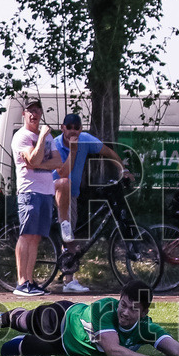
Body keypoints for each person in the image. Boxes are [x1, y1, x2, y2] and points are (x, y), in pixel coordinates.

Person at [0, 280, 179, 356]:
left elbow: (178, 349)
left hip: (64, 348)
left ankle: (22, 340)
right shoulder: (106, 308)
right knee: (24, 320)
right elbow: (113, 350)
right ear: (120, 299)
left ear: (144, 313)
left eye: (133, 310)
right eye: (123, 304)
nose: (124, 312)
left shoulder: (147, 328)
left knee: (10, 350)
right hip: (61, 319)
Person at [52, 112, 133, 293]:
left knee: (70, 231)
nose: (73, 131)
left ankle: (68, 278)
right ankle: (68, 281)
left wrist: (124, 169)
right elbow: (62, 173)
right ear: (63, 128)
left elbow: (109, 152)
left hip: (72, 193)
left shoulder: (86, 140)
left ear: (81, 129)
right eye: (69, 127)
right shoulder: (56, 144)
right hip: (55, 190)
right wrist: (73, 150)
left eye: (76, 127)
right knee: (68, 232)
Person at [10, 97, 62, 296]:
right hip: (29, 191)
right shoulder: (22, 137)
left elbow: (57, 161)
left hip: (46, 191)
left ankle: (30, 282)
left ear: (41, 114)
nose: (34, 114)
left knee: (36, 238)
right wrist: (41, 139)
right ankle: (21, 282)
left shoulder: (47, 137)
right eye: (30, 111)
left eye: (37, 111)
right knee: (26, 235)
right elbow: (32, 159)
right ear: (24, 114)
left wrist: (38, 162)